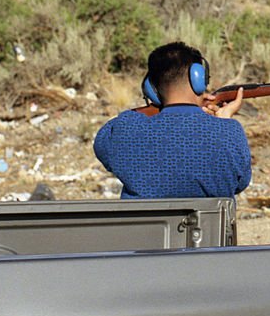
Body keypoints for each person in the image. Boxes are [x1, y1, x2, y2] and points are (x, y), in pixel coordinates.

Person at [94, 41, 251, 199]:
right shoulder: (229, 131)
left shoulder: (124, 128)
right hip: (209, 224)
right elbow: (240, 182)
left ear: (151, 88)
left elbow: (102, 147)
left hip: (144, 224)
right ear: (198, 78)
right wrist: (223, 122)